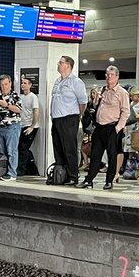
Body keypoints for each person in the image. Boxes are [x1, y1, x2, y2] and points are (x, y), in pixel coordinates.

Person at [79, 66, 129, 190]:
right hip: (99, 127)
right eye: (107, 74)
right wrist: (96, 99)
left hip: (112, 127)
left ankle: (109, 180)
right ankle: (89, 180)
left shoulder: (122, 92)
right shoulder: (103, 90)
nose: (108, 77)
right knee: (95, 154)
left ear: (117, 77)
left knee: (112, 155)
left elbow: (125, 112)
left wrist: (118, 128)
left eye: (111, 75)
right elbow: (96, 106)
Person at [49, 55, 87, 186]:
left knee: (69, 148)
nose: (58, 64)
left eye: (61, 62)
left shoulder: (76, 82)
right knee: (58, 148)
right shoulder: (57, 81)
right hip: (57, 119)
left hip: (69, 118)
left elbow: (83, 102)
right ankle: (61, 175)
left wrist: (78, 116)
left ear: (68, 65)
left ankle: (73, 176)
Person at [0, 74, 23, 179]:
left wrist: (6, 105)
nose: (4, 87)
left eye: (6, 84)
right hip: (1, 126)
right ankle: (3, 171)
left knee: (12, 151)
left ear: (10, 84)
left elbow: (19, 109)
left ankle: (12, 173)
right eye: (2, 85)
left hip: (12, 126)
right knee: (3, 152)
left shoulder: (14, 96)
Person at [17, 76, 40, 176]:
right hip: (21, 125)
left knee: (24, 148)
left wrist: (32, 126)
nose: (23, 85)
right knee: (19, 148)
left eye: (25, 83)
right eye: (22, 83)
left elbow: (36, 111)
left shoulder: (33, 97)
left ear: (30, 85)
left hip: (30, 126)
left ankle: (21, 170)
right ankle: (24, 168)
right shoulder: (20, 97)